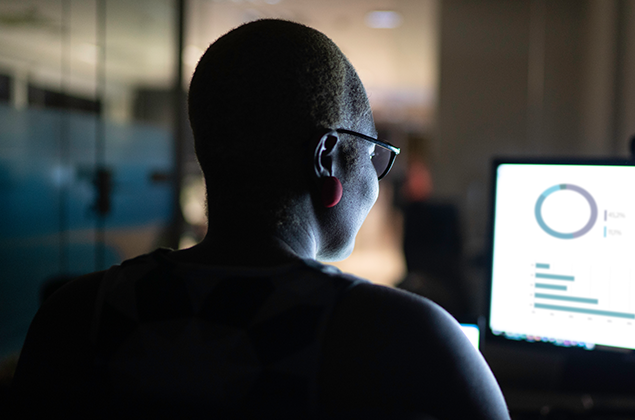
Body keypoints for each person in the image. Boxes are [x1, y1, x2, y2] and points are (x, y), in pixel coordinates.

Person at [12, 19, 510, 419]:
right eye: (374, 156)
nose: (378, 185)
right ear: (328, 158)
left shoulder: (74, 316)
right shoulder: (406, 339)